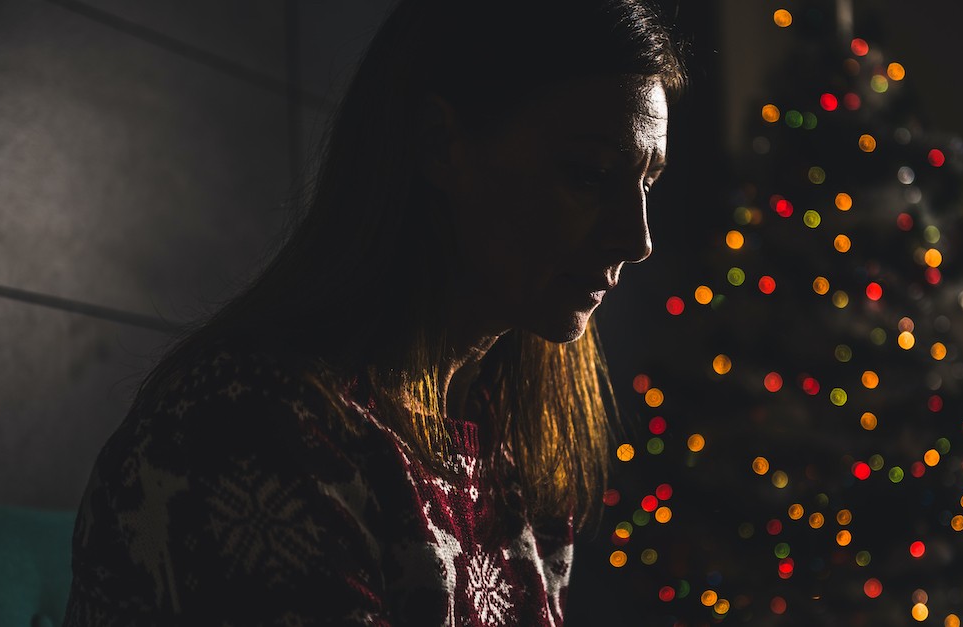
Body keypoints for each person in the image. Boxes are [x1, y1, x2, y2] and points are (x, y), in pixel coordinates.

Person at [61, 0, 686, 624]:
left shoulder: (512, 448)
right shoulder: (253, 423)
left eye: (647, 183)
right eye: (590, 173)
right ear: (441, 144)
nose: (637, 239)